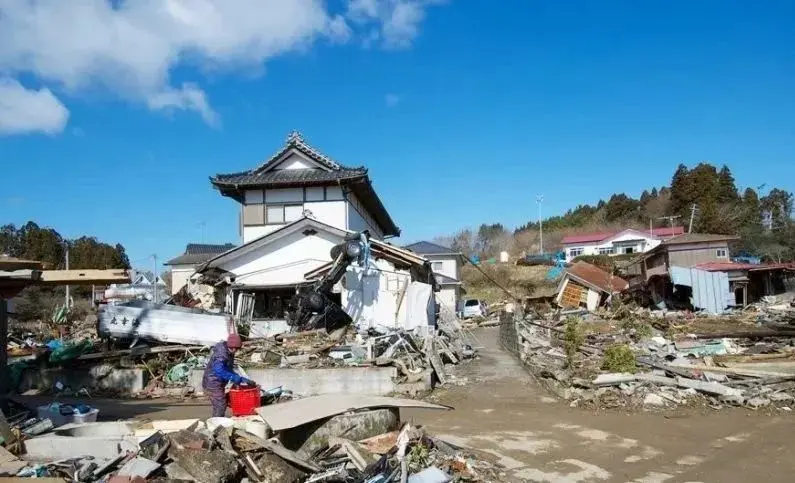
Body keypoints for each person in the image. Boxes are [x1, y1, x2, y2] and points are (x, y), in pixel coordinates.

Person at [202, 333, 256, 417]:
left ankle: (217, 420)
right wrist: (235, 378)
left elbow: (227, 368)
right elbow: (219, 370)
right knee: (220, 403)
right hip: (213, 382)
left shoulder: (228, 352)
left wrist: (241, 379)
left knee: (222, 402)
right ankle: (216, 424)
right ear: (234, 347)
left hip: (217, 381)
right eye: (237, 349)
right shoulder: (222, 354)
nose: (237, 350)